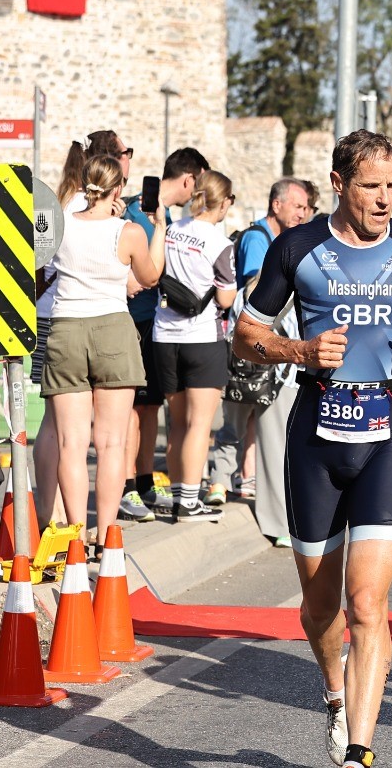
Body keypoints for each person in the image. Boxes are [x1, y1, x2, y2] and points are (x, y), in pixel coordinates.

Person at [231, 130, 392, 768]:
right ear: (339, 184)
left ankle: (360, 748)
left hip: (386, 429)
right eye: (370, 187)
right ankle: (335, 692)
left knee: (368, 601)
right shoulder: (297, 247)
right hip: (315, 434)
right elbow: (245, 337)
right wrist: (299, 351)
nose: (385, 200)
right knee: (320, 603)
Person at [42, 155, 165, 547]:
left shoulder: (61, 225)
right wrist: (158, 228)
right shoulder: (128, 231)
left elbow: (42, 269)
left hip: (65, 329)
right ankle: (107, 534)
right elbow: (149, 277)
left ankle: (74, 536)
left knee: (70, 443)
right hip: (112, 327)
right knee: (111, 442)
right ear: (116, 191)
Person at [32, 130, 126, 527]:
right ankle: (52, 516)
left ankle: (52, 516)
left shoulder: (59, 203)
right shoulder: (90, 212)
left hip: (51, 316)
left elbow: (39, 261)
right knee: (66, 433)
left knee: (55, 428)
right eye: (125, 154)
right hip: (70, 317)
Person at [207, 176, 311, 519]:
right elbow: (259, 292)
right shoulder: (258, 239)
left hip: (262, 352)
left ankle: (229, 480)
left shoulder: (281, 238)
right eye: (298, 206)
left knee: (248, 420)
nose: (303, 213)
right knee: (245, 422)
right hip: (258, 348)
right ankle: (225, 482)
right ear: (276, 204)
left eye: (306, 207)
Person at [121, 146, 208, 523]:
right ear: (188, 179)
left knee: (150, 405)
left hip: (153, 324)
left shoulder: (165, 215)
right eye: (198, 184)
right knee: (128, 409)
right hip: (130, 320)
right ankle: (126, 488)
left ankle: (143, 482)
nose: (198, 193)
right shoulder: (135, 209)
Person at [150, 171, 239, 522]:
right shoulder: (218, 242)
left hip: (164, 335)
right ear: (224, 201)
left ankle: (177, 495)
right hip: (201, 338)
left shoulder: (171, 229)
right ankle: (189, 501)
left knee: (177, 423)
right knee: (200, 424)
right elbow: (226, 297)